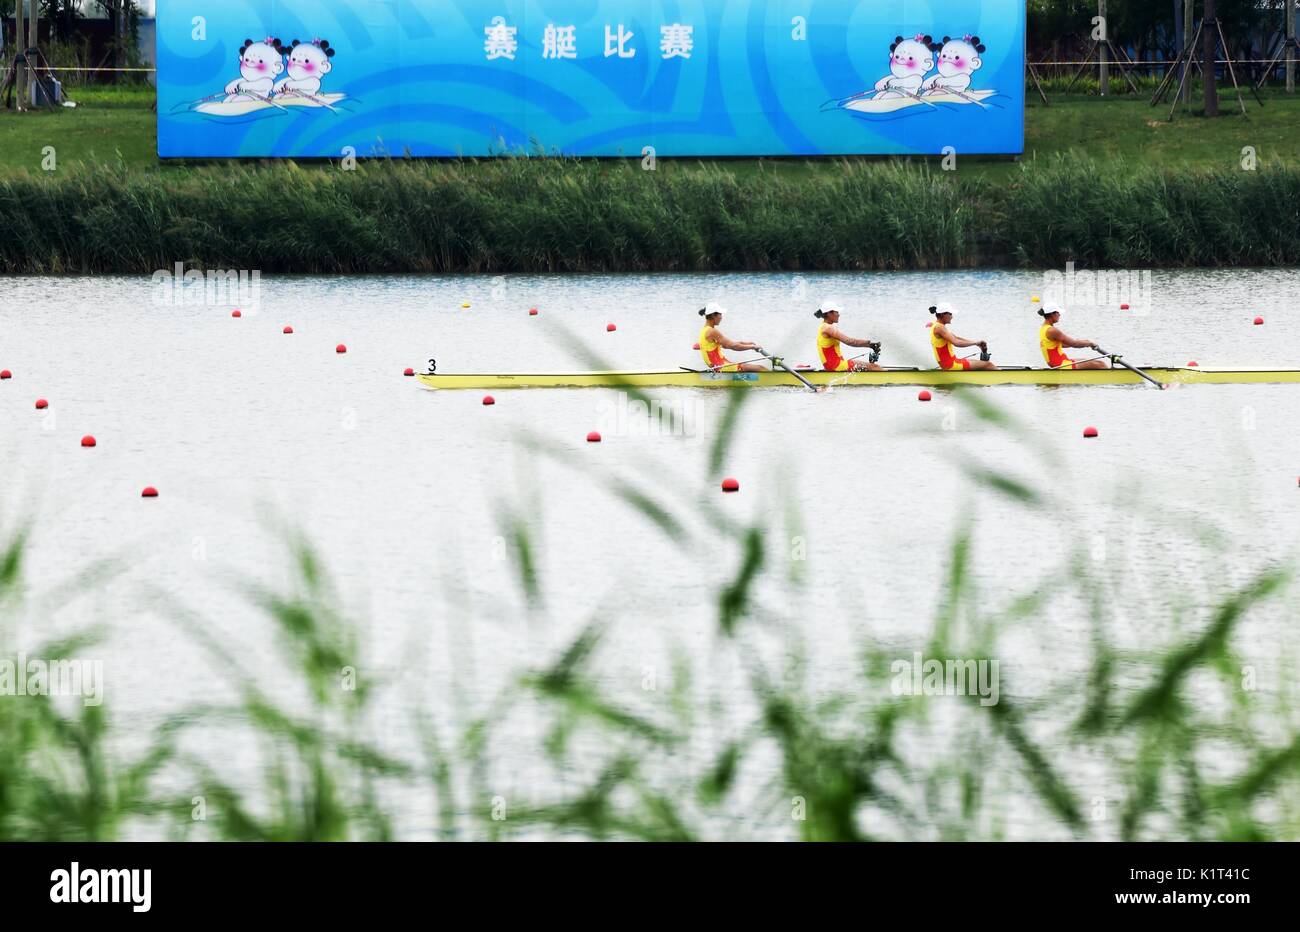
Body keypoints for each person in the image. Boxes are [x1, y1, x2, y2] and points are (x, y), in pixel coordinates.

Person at [1037, 305, 1109, 370]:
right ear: (1052, 314)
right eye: (1058, 313)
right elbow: (1074, 344)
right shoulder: (1052, 330)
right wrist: (1089, 343)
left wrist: (1085, 342)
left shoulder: (1043, 328)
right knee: (1101, 364)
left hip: (1060, 362)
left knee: (1095, 362)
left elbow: (1062, 344)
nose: (1059, 315)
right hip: (1061, 365)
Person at [928, 304, 997, 370]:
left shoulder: (936, 325)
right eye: (950, 314)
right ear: (943, 314)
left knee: (982, 363)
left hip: (950, 363)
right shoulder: (939, 327)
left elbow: (957, 338)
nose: (952, 317)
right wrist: (975, 343)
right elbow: (956, 343)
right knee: (989, 365)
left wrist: (977, 343)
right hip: (952, 365)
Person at [813, 307, 883, 371]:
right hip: (836, 366)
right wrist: (870, 344)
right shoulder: (828, 328)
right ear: (829, 313)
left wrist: (869, 345)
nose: (838, 315)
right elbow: (850, 341)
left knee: (871, 367)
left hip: (833, 365)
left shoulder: (824, 326)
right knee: (875, 367)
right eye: (836, 312)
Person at [698, 307, 765, 372]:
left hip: (718, 366)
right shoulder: (711, 331)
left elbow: (726, 345)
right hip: (721, 367)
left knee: (751, 369)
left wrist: (746, 343)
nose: (721, 317)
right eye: (720, 314)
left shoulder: (704, 330)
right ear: (713, 315)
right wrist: (753, 347)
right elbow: (733, 346)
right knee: (760, 368)